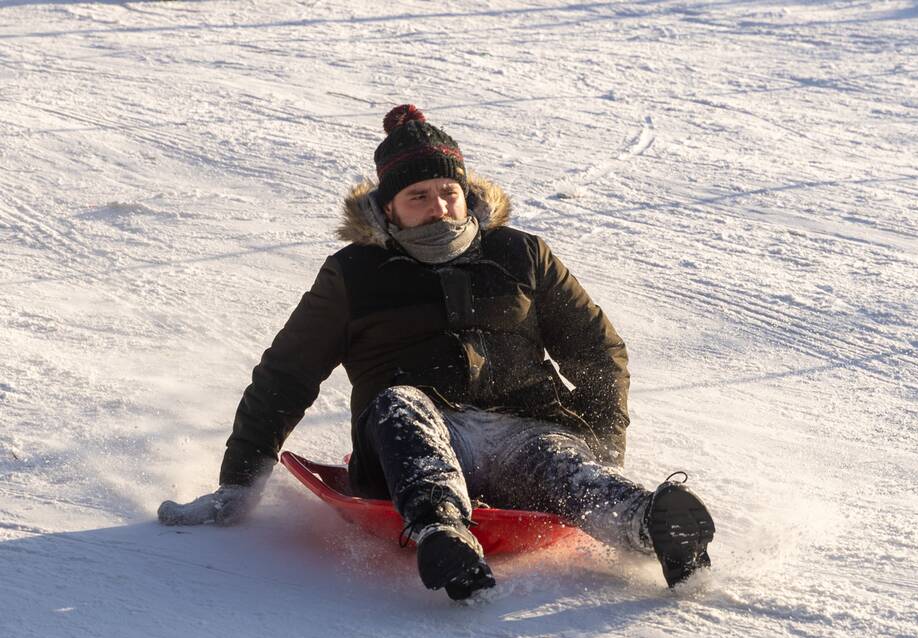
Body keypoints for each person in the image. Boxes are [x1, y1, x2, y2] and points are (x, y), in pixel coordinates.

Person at [158, 104, 715, 600]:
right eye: (418, 197)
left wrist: (604, 441)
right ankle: (443, 532)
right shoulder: (355, 273)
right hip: (414, 431)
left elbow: (597, 350)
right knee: (400, 404)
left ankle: (650, 526)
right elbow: (287, 374)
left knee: (562, 465)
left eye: (448, 192)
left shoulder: (520, 254)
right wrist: (239, 482)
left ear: (466, 193)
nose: (439, 207)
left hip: (525, 428)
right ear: (389, 209)